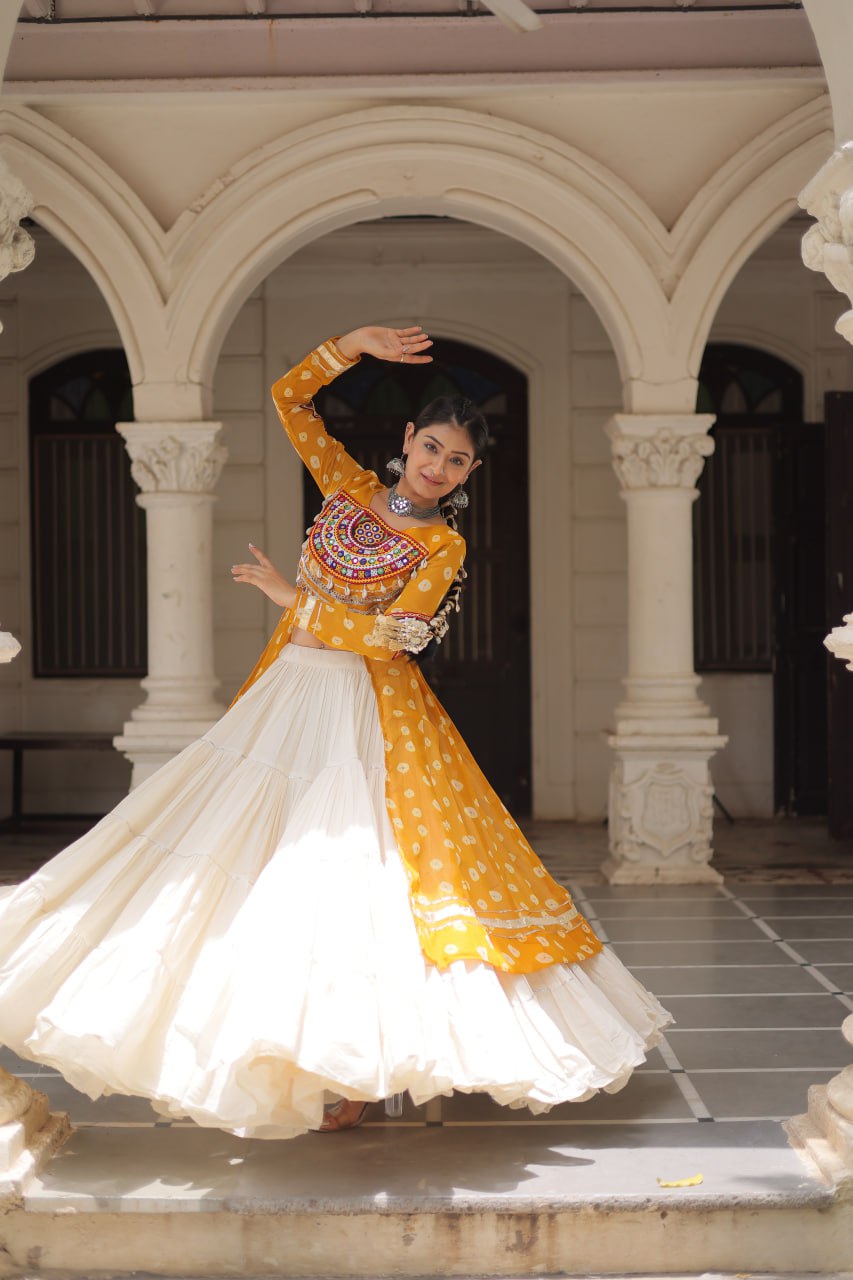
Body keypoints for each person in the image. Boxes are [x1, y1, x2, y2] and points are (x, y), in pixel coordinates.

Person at [0, 325, 671, 1139]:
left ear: (470, 473)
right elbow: (289, 398)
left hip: (367, 710)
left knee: (357, 878)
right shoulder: (347, 487)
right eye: (430, 447)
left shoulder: (442, 542)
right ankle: (282, 1049)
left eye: (456, 461)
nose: (437, 466)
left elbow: (397, 636)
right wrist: (350, 346)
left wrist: (294, 602)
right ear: (404, 441)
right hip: (287, 693)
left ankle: (360, 1063)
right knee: (255, 863)